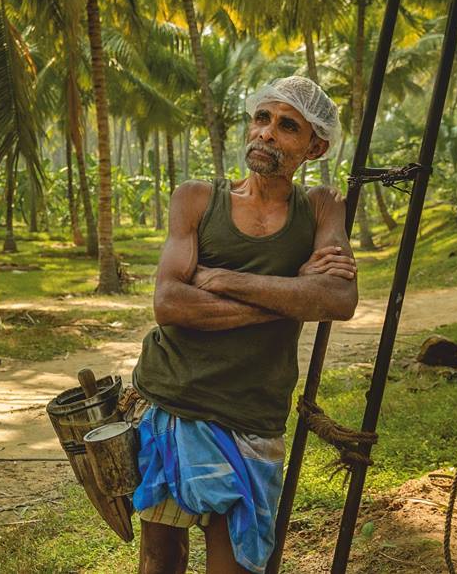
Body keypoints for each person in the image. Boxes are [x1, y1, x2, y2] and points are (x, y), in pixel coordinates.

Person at [130, 76, 359, 574]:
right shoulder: (196, 198)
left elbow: (338, 298)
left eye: (286, 126)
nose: (266, 134)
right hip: (174, 401)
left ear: (315, 147)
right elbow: (170, 303)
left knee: (235, 566)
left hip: (253, 414)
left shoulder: (321, 206)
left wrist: (218, 280)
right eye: (262, 118)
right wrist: (293, 294)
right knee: (158, 560)